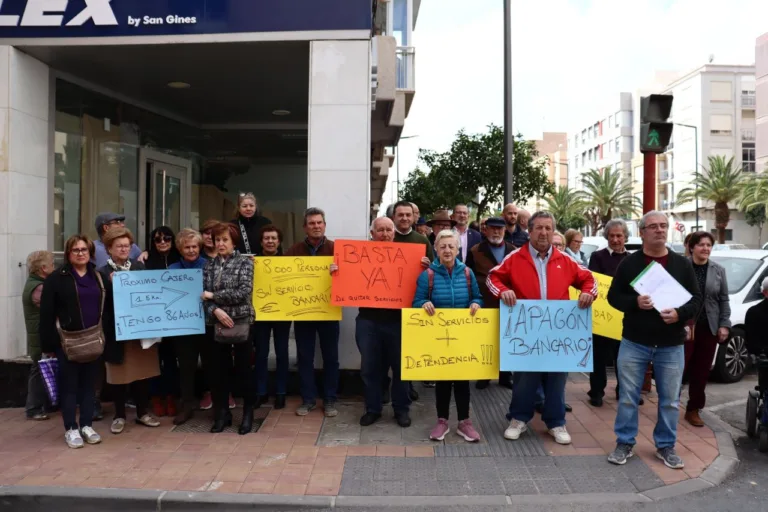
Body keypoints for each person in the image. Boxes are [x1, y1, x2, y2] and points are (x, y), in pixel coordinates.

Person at [488, 211, 596, 446]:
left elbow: (589, 280)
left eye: (548, 228)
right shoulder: (515, 258)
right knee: (525, 378)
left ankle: (556, 422)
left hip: (558, 332)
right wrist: (502, 291)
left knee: (557, 378)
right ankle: (518, 419)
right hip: (526, 331)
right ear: (530, 230)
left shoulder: (566, 260)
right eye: (539, 228)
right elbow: (492, 278)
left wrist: (588, 293)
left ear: (553, 231)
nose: (544, 233)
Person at [606, 211, 701, 469]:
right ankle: (624, 442)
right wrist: (635, 302)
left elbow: (696, 299)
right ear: (642, 232)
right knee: (627, 396)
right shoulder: (630, 264)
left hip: (671, 345)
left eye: (663, 226)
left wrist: (680, 314)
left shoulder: (682, 264)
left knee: (670, 399)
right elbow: (613, 298)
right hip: (634, 342)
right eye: (654, 227)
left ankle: (665, 446)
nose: (660, 230)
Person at [40, 235, 112, 448]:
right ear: (68, 253)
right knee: (70, 387)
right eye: (75, 250)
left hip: (93, 339)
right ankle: (71, 428)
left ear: (90, 252)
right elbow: (46, 314)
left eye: (84, 249)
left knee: (89, 387)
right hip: (68, 342)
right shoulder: (56, 278)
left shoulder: (98, 277)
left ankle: (87, 425)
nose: (80, 253)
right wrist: (49, 346)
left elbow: (106, 310)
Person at [413, 230, 484, 442]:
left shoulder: (467, 274)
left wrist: (475, 304)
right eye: (442, 246)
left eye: (451, 246)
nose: (447, 250)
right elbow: (416, 301)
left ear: (457, 249)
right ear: (435, 249)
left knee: (463, 381)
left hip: (462, 336)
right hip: (438, 337)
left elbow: (478, 297)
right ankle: (442, 421)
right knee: (443, 382)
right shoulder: (427, 276)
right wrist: (423, 304)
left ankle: (465, 422)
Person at [346, 217, 412, 428]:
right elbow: (346, 280)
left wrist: (423, 267)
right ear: (372, 233)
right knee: (370, 368)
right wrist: (337, 271)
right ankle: (373, 409)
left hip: (398, 322)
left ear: (394, 233)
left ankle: (401, 409)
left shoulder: (407, 257)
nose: (385, 234)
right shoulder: (359, 257)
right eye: (380, 230)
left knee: (402, 369)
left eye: (388, 230)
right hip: (368, 321)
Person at [98, 227, 161, 434]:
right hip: (116, 333)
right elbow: (100, 305)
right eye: (119, 246)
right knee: (119, 376)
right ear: (109, 249)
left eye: (127, 245)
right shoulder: (102, 273)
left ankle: (142, 412)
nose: (124, 249)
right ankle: (119, 415)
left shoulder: (139, 268)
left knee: (142, 374)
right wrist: (111, 286)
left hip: (140, 332)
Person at [202, 222, 256, 435]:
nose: (221, 243)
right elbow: (202, 294)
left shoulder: (245, 263)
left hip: (241, 322)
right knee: (218, 370)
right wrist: (216, 311)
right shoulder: (209, 265)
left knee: (244, 369)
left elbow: (243, 292)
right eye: (217, 240)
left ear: (234, 242)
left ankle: (248, 412)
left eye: (225, 240)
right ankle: (222, 412)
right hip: (216, 323)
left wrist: (214, 297)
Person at [286, 207, 340, 417]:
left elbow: (350, 278)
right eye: (312, 223)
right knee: (304, 357)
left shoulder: (337, 249)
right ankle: (308, 399)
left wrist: (339, 272)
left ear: (324, 225)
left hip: (329, 311)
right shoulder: (293, 250)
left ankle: (330, 400)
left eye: (319, 223)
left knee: (331, 358)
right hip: (304, 312)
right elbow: (282, 278)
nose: (316, 226)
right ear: (305, 227)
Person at [682, 231, 730, 427]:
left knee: (701, 370)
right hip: (684, 325)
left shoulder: (718, 270)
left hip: (708, 326)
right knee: (679, 367)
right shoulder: (682, 267)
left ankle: (693, 409)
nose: (705, 248)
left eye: (709, 245)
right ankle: (669, 404)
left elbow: (723, 299)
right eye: (701, 244)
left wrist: (724, 324)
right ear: (692, 247)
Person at [168, 228, 213, 425]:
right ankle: (187, 406)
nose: (192, 250)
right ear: (180, 249)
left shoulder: (209, 266)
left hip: (207, 324)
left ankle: (217, 405)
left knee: (213, 365)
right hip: (183, 326)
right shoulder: (172, 270)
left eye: (195, 246)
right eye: (187, 247)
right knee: (186, 368)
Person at [587, 219, 633, 407]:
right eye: (612, 236)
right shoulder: (597, 257)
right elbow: (594, 282)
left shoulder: (631, 259)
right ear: (607, 236)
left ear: (625, 237)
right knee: (598, 356)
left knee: (624, 357)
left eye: (619, 236)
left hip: (624, 317)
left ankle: (624, 391)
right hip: (603, 318)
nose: (615, 239)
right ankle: (596, 392)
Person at [466, 217, 515, 390]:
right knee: (485, 340)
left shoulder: (513, 250)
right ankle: (484, 375)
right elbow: (468, 275)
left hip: (507, 303)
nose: (496, 232)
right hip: (484, 301)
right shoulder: (475, 250)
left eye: (500, 229)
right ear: (485, 230)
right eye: (493, 229)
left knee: (506, 339)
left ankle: (505, 375)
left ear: (504, 231)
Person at [392, 200, 434, 398]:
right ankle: (387, 387)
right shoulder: (385, 237)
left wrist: (428, 266)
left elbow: (435, 269)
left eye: (408, 215)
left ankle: (407, 386)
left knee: (408, 348)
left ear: (414, 217)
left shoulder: (422, 240)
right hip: (388, 304)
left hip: (412, 303)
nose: (405, 218)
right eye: (400, 215)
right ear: (394, 217)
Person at [145, 226, 181, 418]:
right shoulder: (146, 260)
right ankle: (156, 397)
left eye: (167, 238)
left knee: (170, 360)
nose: (163, 242)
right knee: (153, 360)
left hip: (175, 319)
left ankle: (170, 397)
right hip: (152, 319)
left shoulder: (179, 259)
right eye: (158, 239)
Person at [254, 225, 291, 410]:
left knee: (282, 354)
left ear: (279, 241)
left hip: (282, 314)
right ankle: (261, 392)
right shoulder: (252, 262)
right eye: (266, 238)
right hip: (260, 315)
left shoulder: (288, 262)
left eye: (273, 238)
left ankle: (281, 393)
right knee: (261, 354)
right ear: (261, 241)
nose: (270, 241)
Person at [22, 250, 55, 421]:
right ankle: (34, 408)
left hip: (38, 334)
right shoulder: (39, 287)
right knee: (38, 370)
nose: (54, 267)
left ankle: (43, 404)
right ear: (43, 268)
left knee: (40, 370)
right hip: (39, 336)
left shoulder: (35, 283)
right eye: (52, 264)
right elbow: (49, 309)